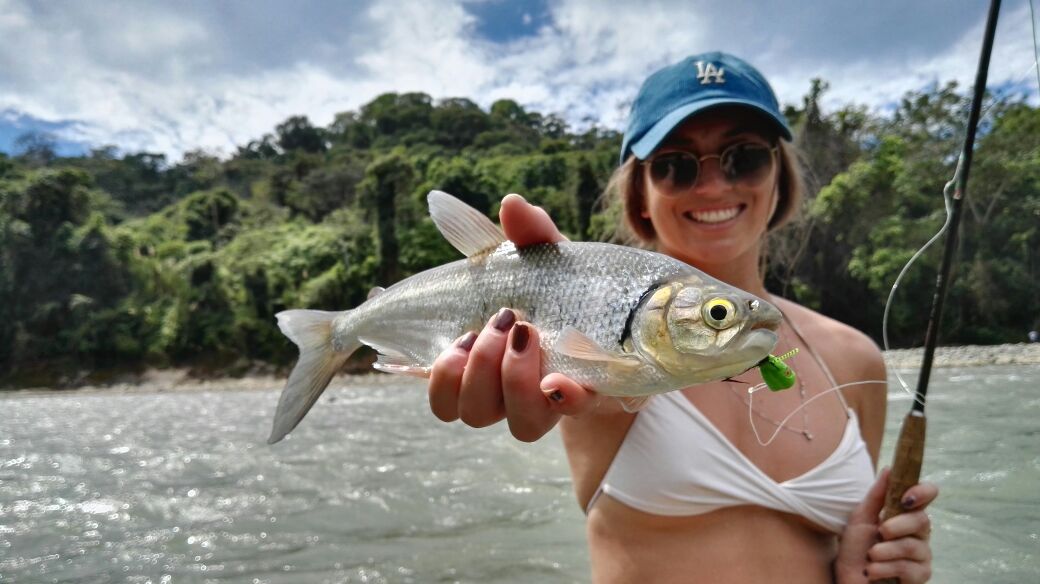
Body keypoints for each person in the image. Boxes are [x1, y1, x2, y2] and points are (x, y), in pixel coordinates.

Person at [427, 52, 938, 583]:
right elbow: (591, 371)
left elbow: (846, 543)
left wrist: (874, 565)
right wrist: (548, 282)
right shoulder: (596, 360)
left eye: (744, 158)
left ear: (779, 179)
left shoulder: (857, 359)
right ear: (641, 196)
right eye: (675, 164)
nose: (714, 186)